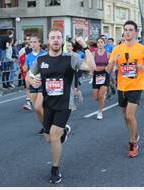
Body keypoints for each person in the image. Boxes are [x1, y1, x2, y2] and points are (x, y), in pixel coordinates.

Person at [28, 29, 96, 184]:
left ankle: (55, 168)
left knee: (54, 136)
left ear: (62, 41)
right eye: (53, 38)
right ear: (48, 41)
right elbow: (29, 76)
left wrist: (85, 47)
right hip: (48, 103)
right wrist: (32, 81)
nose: (56, 40)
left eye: (59, 38)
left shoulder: (70, 58)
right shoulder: (41, 60)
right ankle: (64, 131)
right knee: (48, 138)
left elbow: (91, 66)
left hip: (65, 103)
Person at [107, 20, 144, 158]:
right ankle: (135, 134)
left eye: (130, 30)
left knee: (129, 115)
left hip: (136, 85)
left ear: (135, 32)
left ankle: (132, 143)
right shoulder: (117, 49)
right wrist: (113, 61)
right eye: (126, 30)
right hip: (122, 86)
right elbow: (108, 69)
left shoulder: (142, 49)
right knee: (125, 117)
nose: (127, 32)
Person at [24, 34, 47, 135]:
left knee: (38, 107)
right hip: (33, 83)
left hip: (43, 83)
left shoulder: (45, 54)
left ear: (39, 43)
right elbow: (27, 70)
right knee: (37, 110)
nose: (32, 44)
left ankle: (49, 125)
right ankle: (45, 127)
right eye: (31, 43)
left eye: (34, 42)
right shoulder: (28, 56)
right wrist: (25, 68)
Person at [92, 37, 110, 120]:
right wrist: (91, 70)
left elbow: (110, 66)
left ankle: (100, 112)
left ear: (104, 43)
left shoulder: (108, 54)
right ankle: (102, 96)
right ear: (97, 44)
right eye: (98, 42)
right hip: (96, 75)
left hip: (105, 75)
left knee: (100, 95)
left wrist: (106, 68)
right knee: (95, 97)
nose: (100, 44)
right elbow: (90, 64)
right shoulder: (93, 54)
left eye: (101, 42)